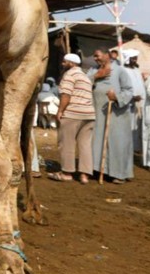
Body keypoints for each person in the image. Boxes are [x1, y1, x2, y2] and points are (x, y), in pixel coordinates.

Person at [89, 48, 135, 183]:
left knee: (117, 142)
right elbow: (84, 82)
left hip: (116, 114)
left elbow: (129, 90)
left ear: (107, 55)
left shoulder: (120, 71)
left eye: (97, 56)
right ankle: (98, 169)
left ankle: (118, 174)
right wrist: (97, 76)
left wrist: (116, 97)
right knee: (97, 140)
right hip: (97, 113)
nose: (95, 59)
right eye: (94, 56)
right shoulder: (93, 70)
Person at [49, 53, 95, 184]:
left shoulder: (69, 75)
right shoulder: (85, 77)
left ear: (71, 63)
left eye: (64, 62)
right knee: (85, 145)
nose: (62, 64)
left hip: (72, 114)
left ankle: (67, 173)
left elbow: (66, 95)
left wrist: (60, 111)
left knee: (66, 143)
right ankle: (84, 175)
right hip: (89, 115)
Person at [121, 49, 146, 152]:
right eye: (133, 58)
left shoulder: (137, 70)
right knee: (129, 127)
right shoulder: (123, 70)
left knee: (139, 126)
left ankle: (137, 148)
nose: (135, 60)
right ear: (128, 59)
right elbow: (122, 88)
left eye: (136, 58)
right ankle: (128, 148)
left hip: (141, 104)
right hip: (129, 105)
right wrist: (131, 98)